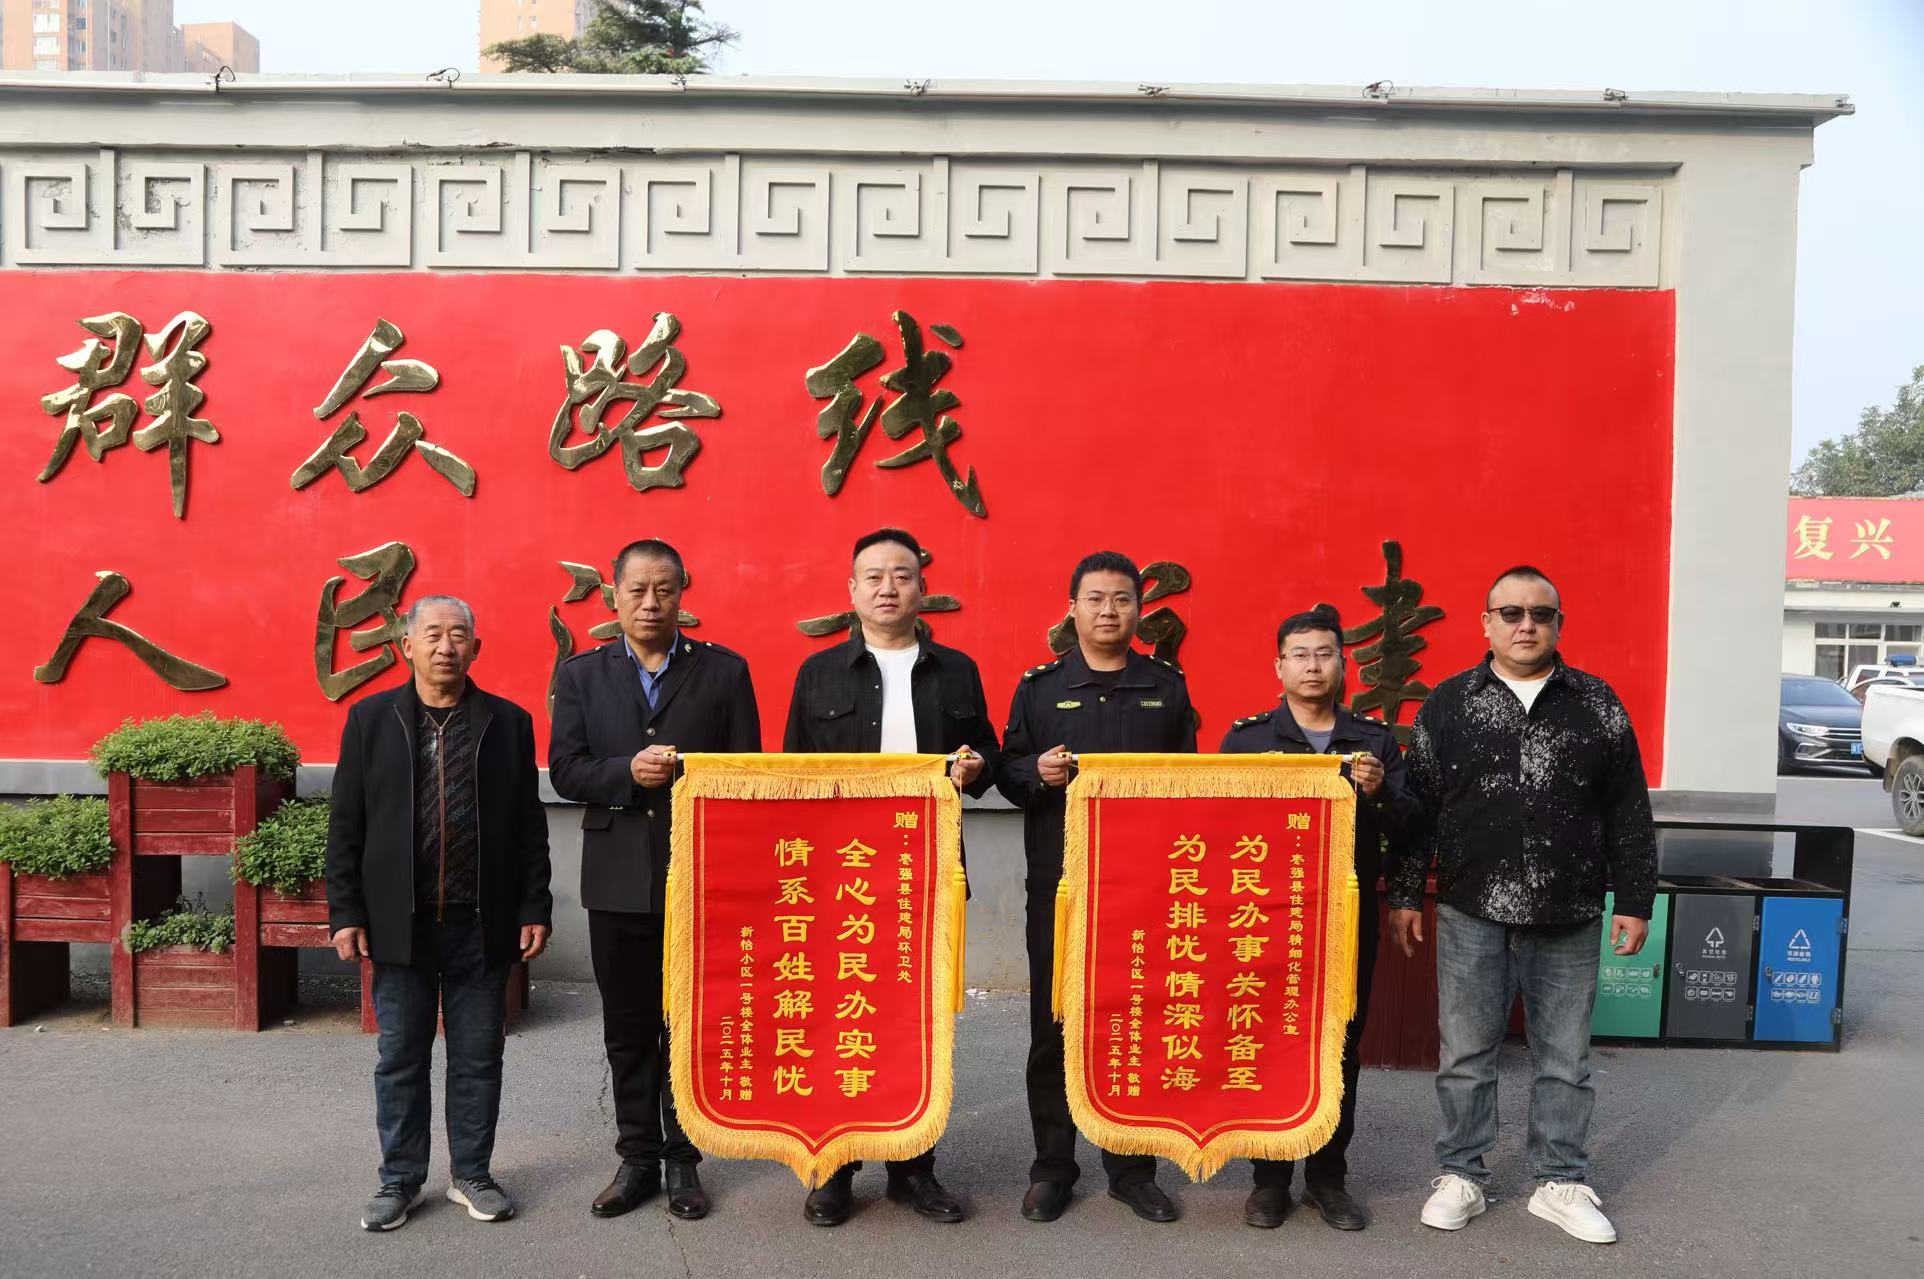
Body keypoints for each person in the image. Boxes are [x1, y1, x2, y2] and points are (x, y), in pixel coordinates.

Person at [1391, 566, 1656, 1246]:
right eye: (1510, 612)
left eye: (1541, 613)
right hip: (1470, 907)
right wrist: (1406, 892)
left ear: (1559, 624)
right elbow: (1418, 809)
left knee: (1565, 1057)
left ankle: (1560, 1180)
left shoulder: (1596, 703)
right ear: (1487, 623)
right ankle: (1462, 1173)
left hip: (1569, 911)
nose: (1526, 624)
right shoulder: (1450, 703)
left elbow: (1628, 809)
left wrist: (1634, 899)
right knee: (1466, 1054)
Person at [782, 526, 1002, 1227]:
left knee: (920, 1022)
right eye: (873, 576)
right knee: (838, 1016)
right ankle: (836, 1167)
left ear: (921, 589)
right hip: (840, 876)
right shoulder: (818, 673)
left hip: (927, 872)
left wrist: (976, 766)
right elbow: (792, 779)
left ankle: (915, 1168)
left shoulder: (957, 670)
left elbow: (989, 755)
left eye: (902, 575)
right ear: (851, 591)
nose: (888, 588)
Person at [325, 595, 553, 1232]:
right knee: (400, 1057)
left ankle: (472, 1174)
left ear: (475, 648)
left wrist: (534, 904)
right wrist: (346, 912)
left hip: (482, 924)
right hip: (402, 927)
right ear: (407, 646)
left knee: (478, 1057)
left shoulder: (507, 723)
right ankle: (399, 1180)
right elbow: (346, 826)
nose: (445, 646)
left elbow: (529, 825)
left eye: (458, 635)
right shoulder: (371, 720)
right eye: (432, 634)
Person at [549, 539, 761, 1222]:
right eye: (637, 590)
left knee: (689, 1021)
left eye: (664, 589)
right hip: (615, 876)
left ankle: (683, 1158)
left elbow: (746, 774)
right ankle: (636, 1155)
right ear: (614, 596)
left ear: (681, 595)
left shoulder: (723, 672)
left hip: (700, 872)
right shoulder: (583, 675)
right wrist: (624, 773)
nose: (650, 603)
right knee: (628, 1023)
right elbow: (566, 769)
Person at [997, 551, 1197, 1224]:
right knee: (1052, 1025)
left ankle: (1132, 1169)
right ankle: (1052, 1167)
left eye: (1121, 599)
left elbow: (1189, 784)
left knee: (1133, 1018)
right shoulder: (1040, 686)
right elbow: (1006, 769)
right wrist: (1035, 772)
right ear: (1072, 609)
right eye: (1095, 599)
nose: (1109, 611)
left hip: (1142, 886)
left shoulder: (1166, 686)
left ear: (1139, 609)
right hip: (1060, 885)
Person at [1220, 604, 1416, 1231]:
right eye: (1300, 655)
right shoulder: (1247, 740)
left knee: (1340, 1042)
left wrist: (1379, 793)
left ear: (1342, 664)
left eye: (1325, 654)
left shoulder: (1374, 742)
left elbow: (1412, 827)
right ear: (1278, 667)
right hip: (1263, 916)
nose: (1313, 666)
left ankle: (1328, 1178)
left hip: (1343, 918)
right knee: (1267, 1038)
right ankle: (1269, 1178)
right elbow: (1218, 830)